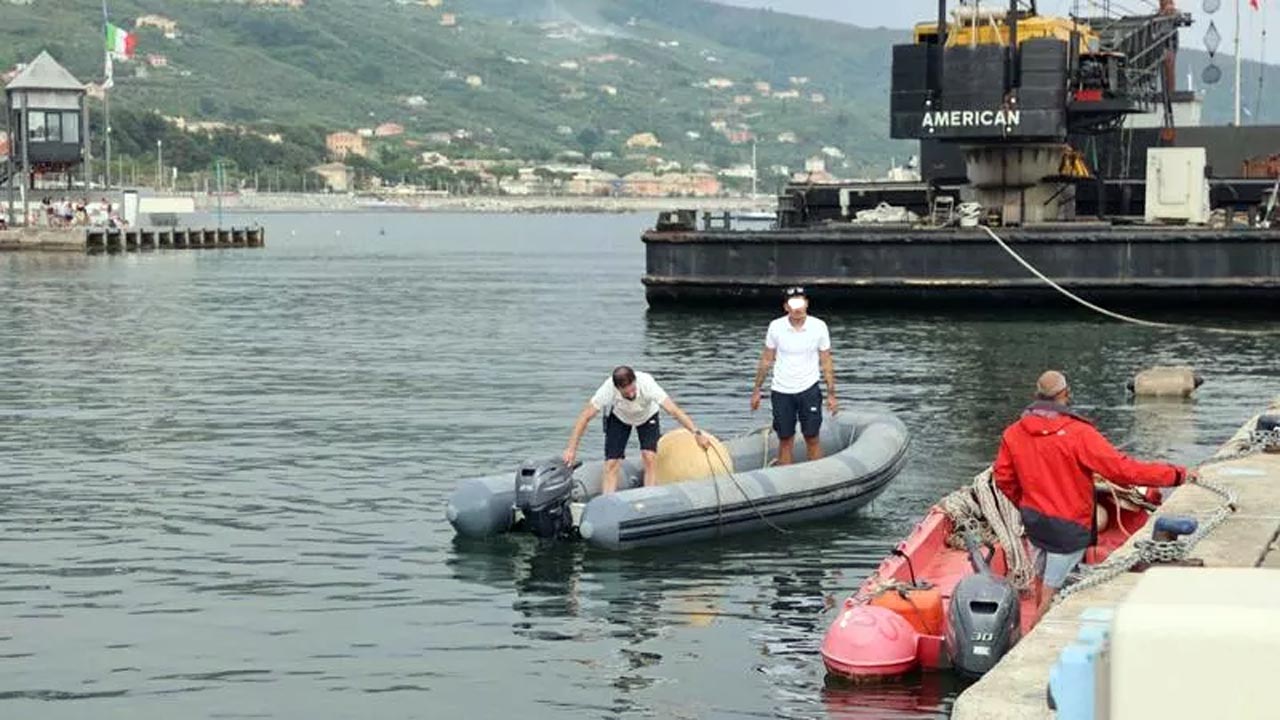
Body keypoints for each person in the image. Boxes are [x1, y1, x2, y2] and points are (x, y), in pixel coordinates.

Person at [993, 370, 1195, 619]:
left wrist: (1025, 503)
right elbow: (1122, 470)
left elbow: (1003, 477)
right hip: (1069, 526)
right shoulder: (1079, 433)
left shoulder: (1013, 433)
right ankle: (1035, 633)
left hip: (1035, 522)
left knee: (1041, 576)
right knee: (1051, 590)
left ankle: (1037, 617)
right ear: (1065, 394)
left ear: (1037, 396)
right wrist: (1176, 475)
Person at [563, 366, 711, 494]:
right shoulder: (607, 389)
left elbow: (674, 411)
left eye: (633, 389)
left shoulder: (647, 384)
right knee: (611, 463)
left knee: (649, 457)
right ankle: (607, 501)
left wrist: (696, 433)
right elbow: (585, 417)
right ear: (617, 388)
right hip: (620, 417)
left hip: (647, 415)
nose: (631, 394)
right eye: (626, 393)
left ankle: (649, 496)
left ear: (635, 382)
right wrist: (571, 449)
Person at [749, 286, 838, 465]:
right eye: (792, 304)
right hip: (781, 390)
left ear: (806, 304)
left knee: (812, 437)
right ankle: (785, 480)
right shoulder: (776, 326)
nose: (797, 309)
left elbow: (826, 361)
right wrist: (757, 389)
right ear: (786, 307)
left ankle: (816, 478)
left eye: (800, 303)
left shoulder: (819, 327)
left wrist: (831, 394)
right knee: (785, 440)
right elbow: (767, 359)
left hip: (809, 388)